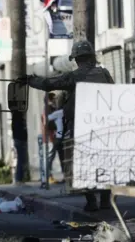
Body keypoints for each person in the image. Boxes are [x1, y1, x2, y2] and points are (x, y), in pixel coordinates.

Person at [19, 40, 114, 211]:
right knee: (103, 163)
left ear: (77, 59)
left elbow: (50, 84)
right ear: (91, 57)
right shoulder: (104, 74)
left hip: (82, 128)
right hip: (104, 126)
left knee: (82, 164)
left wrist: (30, 80)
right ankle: (106, 199)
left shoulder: (75, 76)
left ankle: (92, 201)